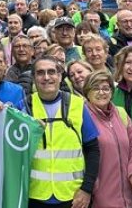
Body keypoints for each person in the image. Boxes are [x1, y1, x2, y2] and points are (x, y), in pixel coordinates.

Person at [28, 56, 101, 208]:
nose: (46, 77)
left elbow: (93, 150)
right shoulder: (24, 106)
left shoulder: (78, 105)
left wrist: (86, 190)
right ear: (34, 78)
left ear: (60, 76)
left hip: (73, 197)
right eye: (40, 73)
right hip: (35, 196)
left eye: (51, 72)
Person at [83, 71, 132, 208]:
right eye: (96, 88)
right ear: (87, 92)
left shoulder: (121, 113)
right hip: (99, 200)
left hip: (130, 198)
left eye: (106, 88)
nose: (102, 92)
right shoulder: (82, 117)